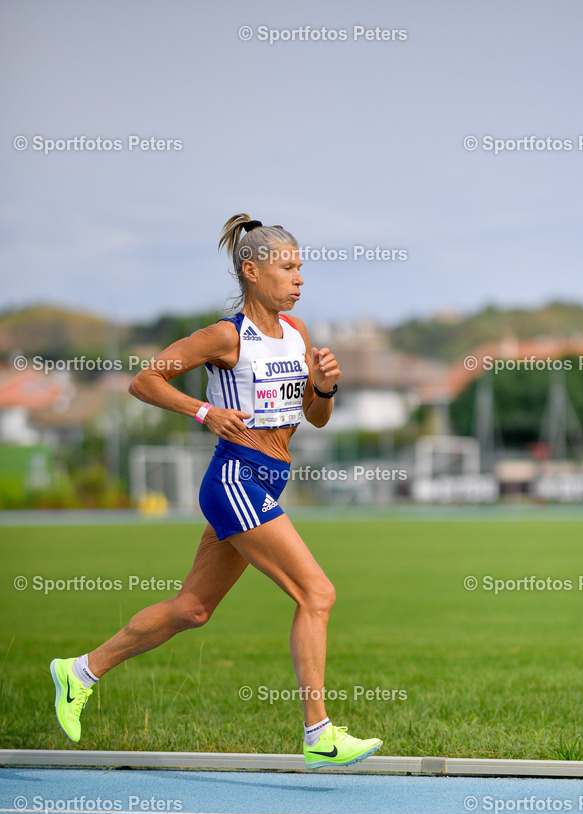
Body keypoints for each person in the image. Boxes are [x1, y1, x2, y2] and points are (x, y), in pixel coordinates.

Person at [50, 214, 382, 770]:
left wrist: (325, 386)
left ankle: (79, 671)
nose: (299, 278)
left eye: (302, 267)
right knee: (316, 594)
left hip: (267, 478)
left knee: (193, 609)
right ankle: (319, 733)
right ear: (252, 272)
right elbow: (146, 379)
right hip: (235, 477)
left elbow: (316, 419)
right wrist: (203, 411)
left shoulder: (297, 333)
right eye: (288, 267)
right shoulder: (227, 336)